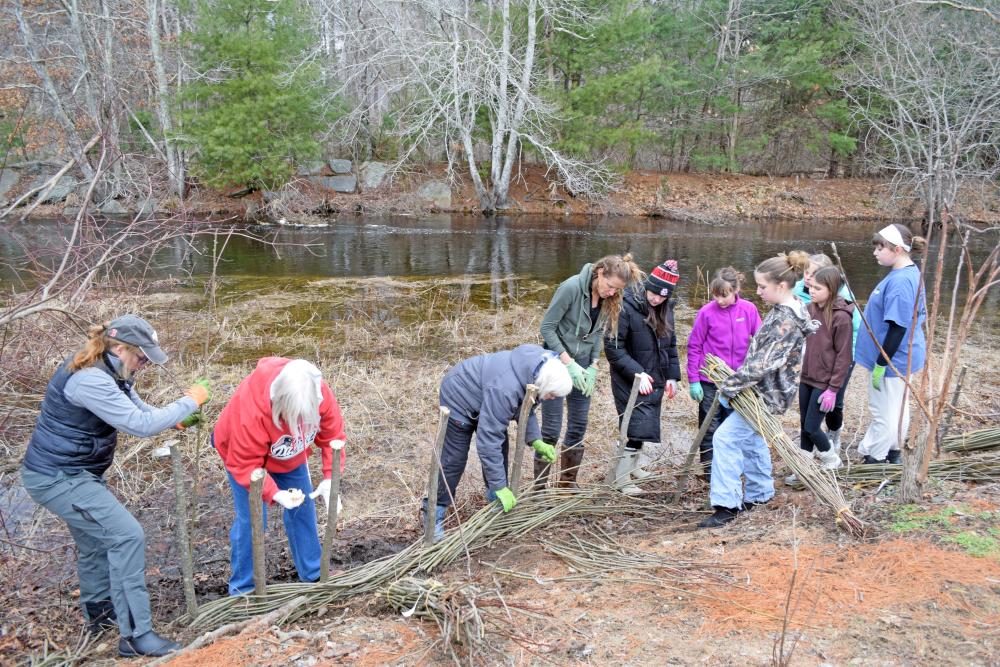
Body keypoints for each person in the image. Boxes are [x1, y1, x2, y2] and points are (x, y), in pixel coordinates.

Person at [20, 316, 210, 657]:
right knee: (127, 535)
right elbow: (140, 426)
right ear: (120, 347)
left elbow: (143, 411)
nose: (145, 364)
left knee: (95, 542)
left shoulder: (113, 371)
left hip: (77, 473)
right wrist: (190, 401)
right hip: (58, 478)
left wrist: (176, 418)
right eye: (142, 357)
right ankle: (136, 636)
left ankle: (101, 616)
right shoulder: (90, 380)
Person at [698, 252, 818, 529]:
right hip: (769, 392)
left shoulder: (785, 321)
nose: (758, 292)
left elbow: (762, 365)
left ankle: (726, 505)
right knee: (752, 438)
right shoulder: (791, 308)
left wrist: (728, 387)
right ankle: (760, 493)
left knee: (725, 439)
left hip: (768, 394)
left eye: (763, 286)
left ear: (782, 285)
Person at [213, 357, 346, 596]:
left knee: (304, 506)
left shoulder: (318, 392)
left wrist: (330, 478)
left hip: (288, 455)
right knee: (253, 520)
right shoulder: (251, 413)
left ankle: (313, 573)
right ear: (279, 403)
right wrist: (273, 493)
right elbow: (244, 464)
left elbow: (333, 436)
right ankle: (243, 589)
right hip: (242, 456)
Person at [424, 344, 573, 541]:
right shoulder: (505, 388)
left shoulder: (538, 368)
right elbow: (488, 439)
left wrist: (535, 440)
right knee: (454, 460)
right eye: (552, 394)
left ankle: (495, 503)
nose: (552, 398)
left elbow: (525, 405)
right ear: (545, 383)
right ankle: (434, 514)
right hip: (460, 396)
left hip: (487, 395)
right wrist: (500, 485)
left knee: (500, 450)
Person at [535, 253, 641, 489]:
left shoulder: (608, 298)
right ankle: (539, 489)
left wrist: (592, 365)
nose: (611, 292)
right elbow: (548, 328)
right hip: (555, 362)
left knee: (578, 426)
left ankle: (567, 484)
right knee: (551, 429)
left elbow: (596, 333)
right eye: (610, 286)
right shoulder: (571, 287)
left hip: (583, 364)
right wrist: (567, 362)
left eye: (616, 290)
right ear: (600, 273)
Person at [604, 260, 682, 495]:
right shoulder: (625, 306)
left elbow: (670, 345)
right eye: (654, 293)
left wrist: (672, 377)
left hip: (655, 376)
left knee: (645, 424)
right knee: (633, 425)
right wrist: (637, 372)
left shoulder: (665, 309)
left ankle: (633, 468)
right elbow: (613, 348)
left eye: (662, 296)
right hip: (629, 376)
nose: (656, 299)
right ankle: (621, 479)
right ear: (648, 286)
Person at [854, 224, 927, 464]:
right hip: (902, 357)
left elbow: (898, 327)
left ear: (897, 249)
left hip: (893, 359)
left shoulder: (900, 282)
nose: (875, 252)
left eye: (880, 247)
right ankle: (894, 450)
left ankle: (875, 457)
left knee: (882, 410)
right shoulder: (905, 273)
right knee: (898, 406)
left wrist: (880, 363)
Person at [686, 267, 761, 483]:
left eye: (725, 295)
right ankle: (710, 472)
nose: (720, 300)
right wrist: (694, 380)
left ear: (736, 289)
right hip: (710, 380)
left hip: (737, 381)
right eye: (716, 295)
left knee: (733, 427)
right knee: (709, 427)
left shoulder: (748, 310)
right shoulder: (706, 312)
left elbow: (761, 340)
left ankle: (731, 470)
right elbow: (694, 346)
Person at [793, 266, 855, 477]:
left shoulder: (841, 318)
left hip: (825, 383)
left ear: (832, 289)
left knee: (812, 427)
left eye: (818, 288)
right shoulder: (809, 309)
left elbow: (844, 356)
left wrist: (833, 389)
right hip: (807, 377)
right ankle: (804, 467)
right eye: (811, 287)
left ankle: (831, 459)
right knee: (803, 426)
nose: (812, 291)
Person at [793, 253, 862, 354]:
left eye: (813, 274)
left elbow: (855, 326)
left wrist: (850, 352)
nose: (807, 277)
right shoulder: (797, 289)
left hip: (836, 349)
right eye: (806, 272)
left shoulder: (843, 295)